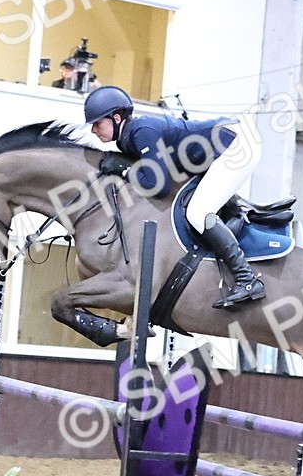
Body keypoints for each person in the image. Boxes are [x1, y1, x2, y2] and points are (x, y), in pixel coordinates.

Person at [84, 85, 264, 309]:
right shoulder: (128, 137)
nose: (93, 130)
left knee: (198, 214)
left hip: (236, 143)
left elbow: (157, 185)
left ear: (117, 117)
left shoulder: (142, 130)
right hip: (219, 147)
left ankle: (247, 279)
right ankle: (237, 212)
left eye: (97, 123)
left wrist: (123, 171)